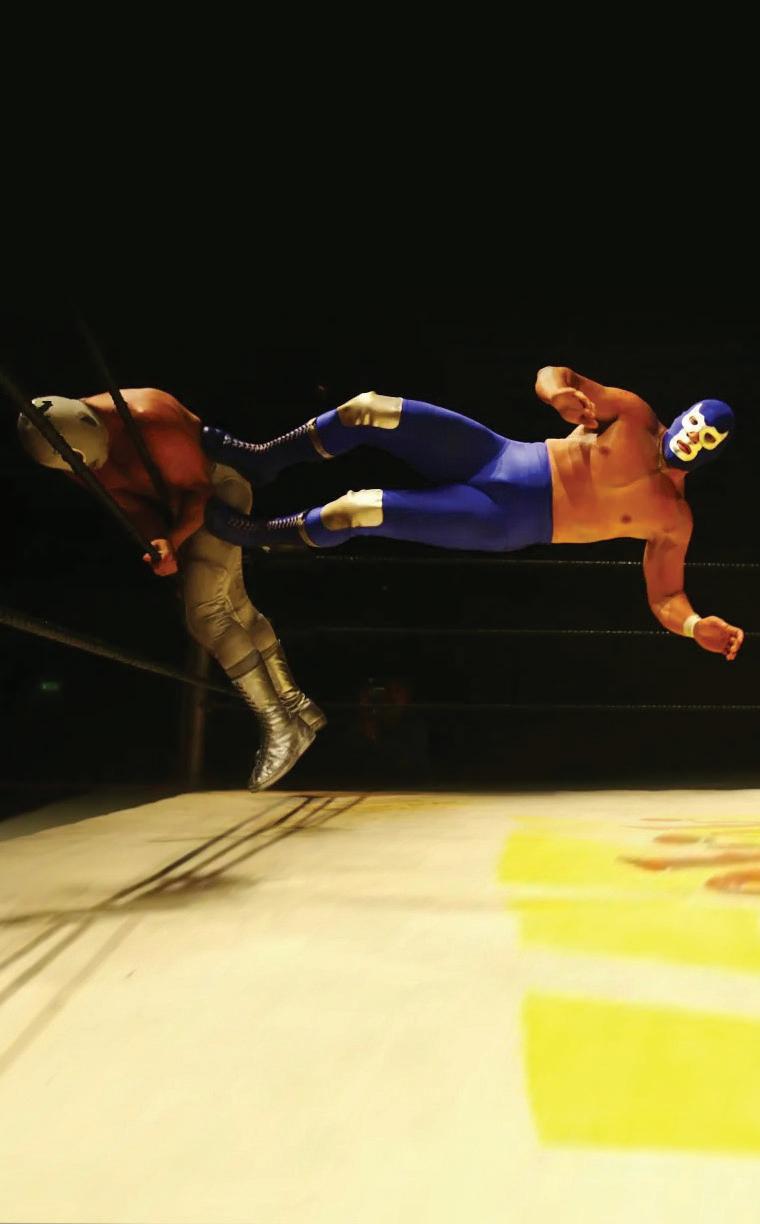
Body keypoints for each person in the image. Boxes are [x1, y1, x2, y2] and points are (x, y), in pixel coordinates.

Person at [200, 369, 744, 661]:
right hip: (499, 454)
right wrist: (558, 393)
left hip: (506, 518)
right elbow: (555, 374)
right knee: (369, 409)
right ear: (682, 415)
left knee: (359, 509)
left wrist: (694, 625)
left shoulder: (672, 517)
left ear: (714, 454)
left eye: (707, 438)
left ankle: (261, 536)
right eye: (695, 424)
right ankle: (265, 458)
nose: (693, 437)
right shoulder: (633, 414)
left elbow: (665, 596)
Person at [16, 388, 325, 790]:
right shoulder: (67, 453)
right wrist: (159, 541)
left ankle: (281, 726)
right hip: (177, 506)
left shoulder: (149, 418)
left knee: (206, 614)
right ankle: (297, 704)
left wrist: (174, 539)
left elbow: (201, 492)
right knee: (237, 608)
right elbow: (130, 503)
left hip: (218, 492)